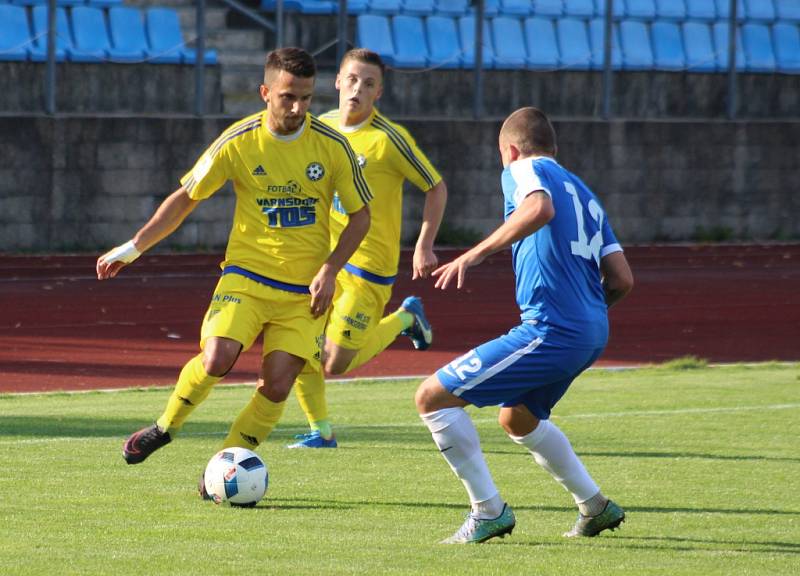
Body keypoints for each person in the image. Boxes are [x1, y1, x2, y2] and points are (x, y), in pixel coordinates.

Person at [96, 47, 372, 468]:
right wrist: (134, 247)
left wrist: (331, 270)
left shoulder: (332, 146)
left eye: (306, 97)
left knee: (278, 385)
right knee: (217, 358)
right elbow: (187, 197)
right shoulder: (239, 141)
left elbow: (360, 216)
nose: (298, 107)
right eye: (288, 97)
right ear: (265, 92)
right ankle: (164, 427)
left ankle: (225, 465)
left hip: (304, 293)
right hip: (246, 276)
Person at [414, 107, 634, 543]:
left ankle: (487, 512)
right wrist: (587, 313)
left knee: (432, 398)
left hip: (553, 328)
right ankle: (595, 507)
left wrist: (472, 254)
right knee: (519, 417)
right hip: (591, 330)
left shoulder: (523, 168)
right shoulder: (585, 191)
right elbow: (623, 279)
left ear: (510, 149)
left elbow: (538, 207)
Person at [287, 48, 448, 448]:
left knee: (335, 362)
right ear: (338, 82)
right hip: (323, 262)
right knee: (299, 342)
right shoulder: (318, 126)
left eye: (369, 83)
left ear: (379, 92)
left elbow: (436, 186)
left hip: (368, 268)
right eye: (353, 79)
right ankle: (320, 430)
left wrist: (424, 245)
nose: (358, 89)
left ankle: (405, 319)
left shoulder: (389, 140)